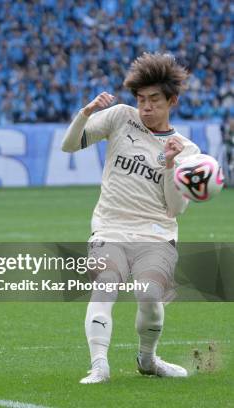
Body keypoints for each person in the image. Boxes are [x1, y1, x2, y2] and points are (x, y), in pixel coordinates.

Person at [61, 53, 200, 384]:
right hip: (110, 227)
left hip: (156, 234)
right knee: (105, 285)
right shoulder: (121, 118)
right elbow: (70, 145)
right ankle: (99, 366)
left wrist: (169, 165)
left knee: (150, 294)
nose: (146, 107)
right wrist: (86, 113)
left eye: (154, 100)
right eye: (141, 99)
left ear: (172, 101)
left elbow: (175, 209)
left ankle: (148, 360)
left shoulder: (187, 151)